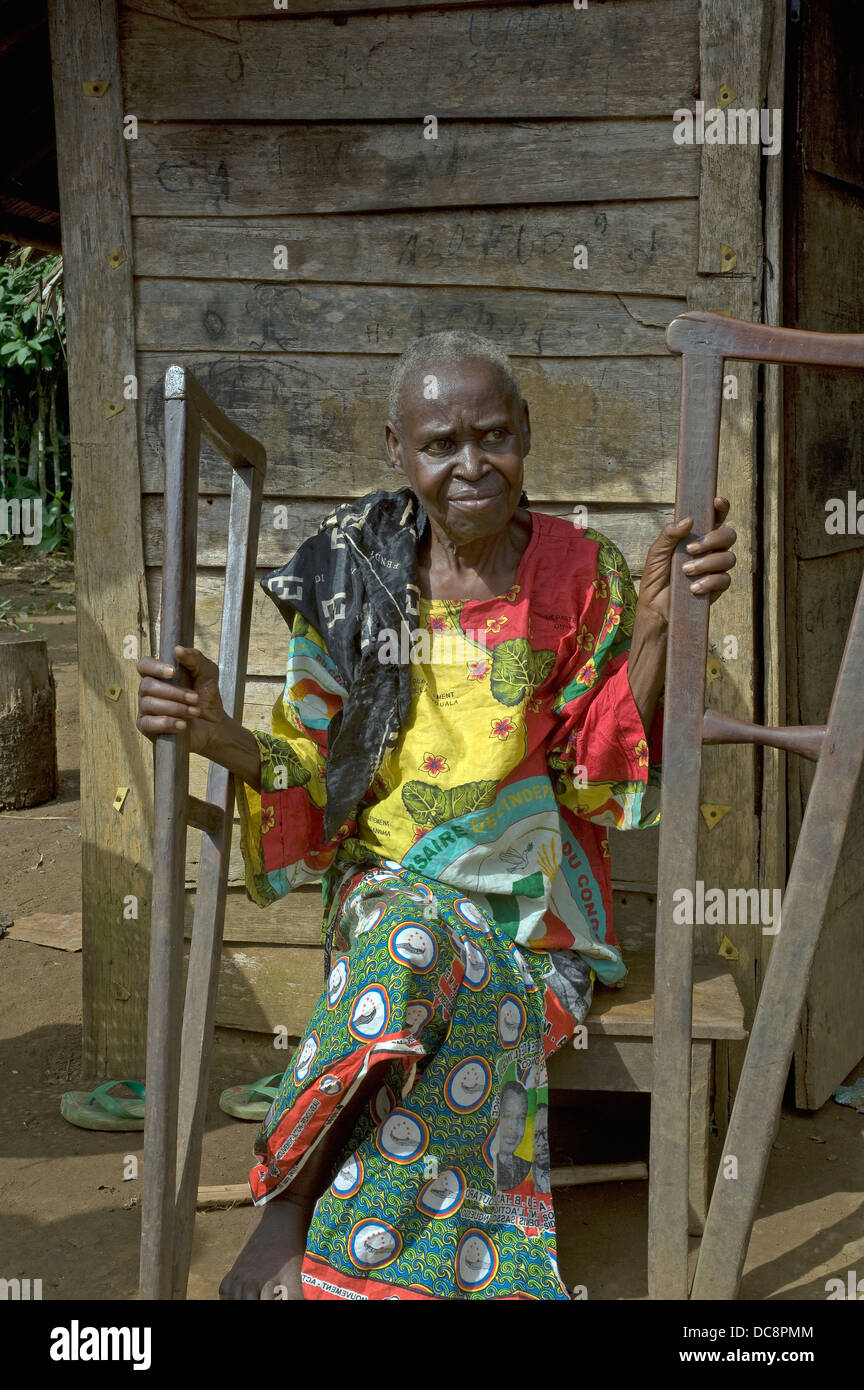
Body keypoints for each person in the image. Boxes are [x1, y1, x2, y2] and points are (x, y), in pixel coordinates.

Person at [137, 330, 737, 1301]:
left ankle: (352, 1260)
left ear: (525, 434)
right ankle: (288, 1204)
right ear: (396, 449)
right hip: (393, 890)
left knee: (461, 1007)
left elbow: (594, 767)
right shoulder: (350, 575)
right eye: (440, 443)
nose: (471, 465)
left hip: (535, 913)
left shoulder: (583, 573)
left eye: (493, 436)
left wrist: (660, 623)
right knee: (412, 942)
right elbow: (309, 764)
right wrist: (216, 734)